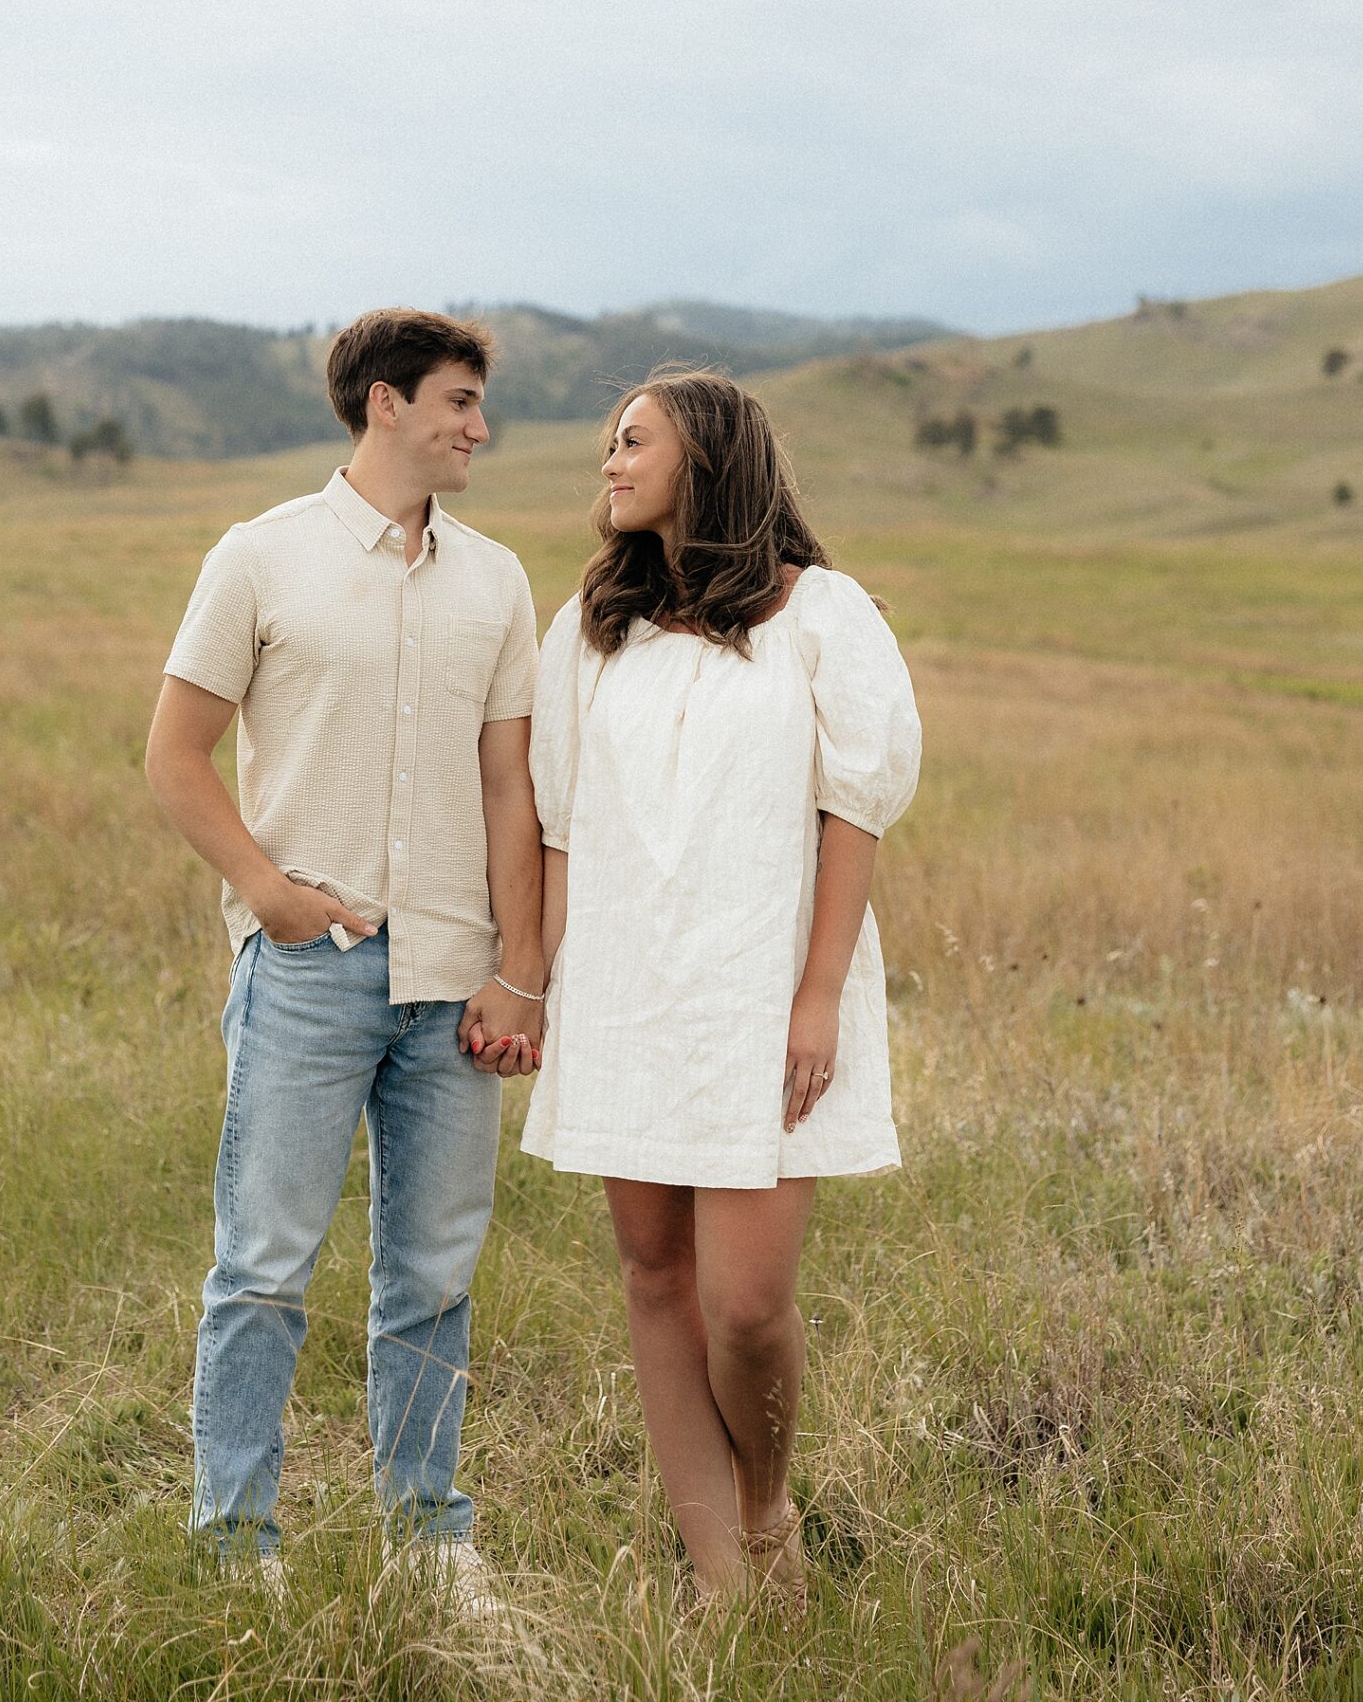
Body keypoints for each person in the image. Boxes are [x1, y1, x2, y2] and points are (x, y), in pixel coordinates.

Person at [144, 308, 547, 1600]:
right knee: (262, 1269)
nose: (476, 428)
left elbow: (508, 794)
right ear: (383, 402)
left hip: (454, 988)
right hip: (309, 974)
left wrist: (517, 968)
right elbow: (174, 753)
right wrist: (268, 893)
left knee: (431, 1280)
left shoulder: (494, 581)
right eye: (458, 402)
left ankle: (429, 1547)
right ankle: (232, 1553)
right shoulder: (260, 558)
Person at [521, 370, 920, 1609]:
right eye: (607, 443)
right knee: (655, 1281)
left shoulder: (823, 616)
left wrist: (817, 997)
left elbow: (856, 807)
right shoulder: (597, 623)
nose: (610, 460)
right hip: (626, 992)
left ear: (708, 455)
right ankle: (724, 1588)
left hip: (761, 995)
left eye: (633, 440)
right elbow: (559, 826)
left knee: (747, 1306)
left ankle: (764, 1506)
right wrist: (533, 986)